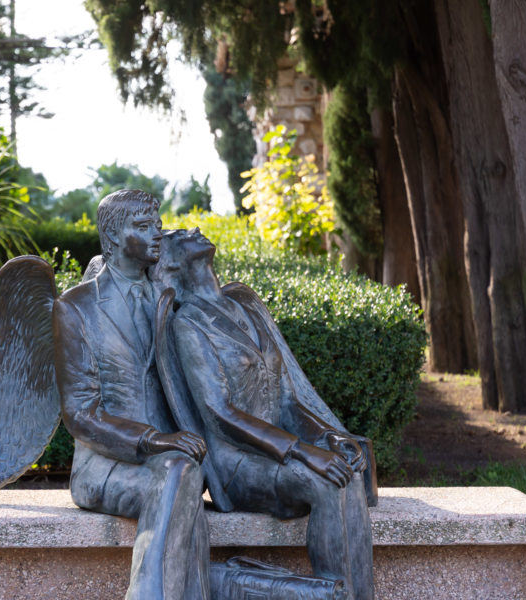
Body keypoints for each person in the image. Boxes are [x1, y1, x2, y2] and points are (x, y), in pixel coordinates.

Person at [152, 228, 375, 600]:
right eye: (180, 234)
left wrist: (327, 437)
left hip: (281, 452)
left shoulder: (245, 305)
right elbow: (221, 413)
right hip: (239, 463)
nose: (193, 229)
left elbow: (287, 398)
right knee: (328, 482)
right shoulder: (187, 323)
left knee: (347, 475)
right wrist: (302, 451)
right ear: (172, 260)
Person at [52, 191, 212, 600]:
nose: (157, 233)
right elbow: (80, 414)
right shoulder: (77, 307)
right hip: (105, 467)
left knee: (182, 477)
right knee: (180, 476)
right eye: (143, 226)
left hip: (177, 460)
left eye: (157, 224)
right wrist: (156, 441)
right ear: (112, 237)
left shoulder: (172, 298)